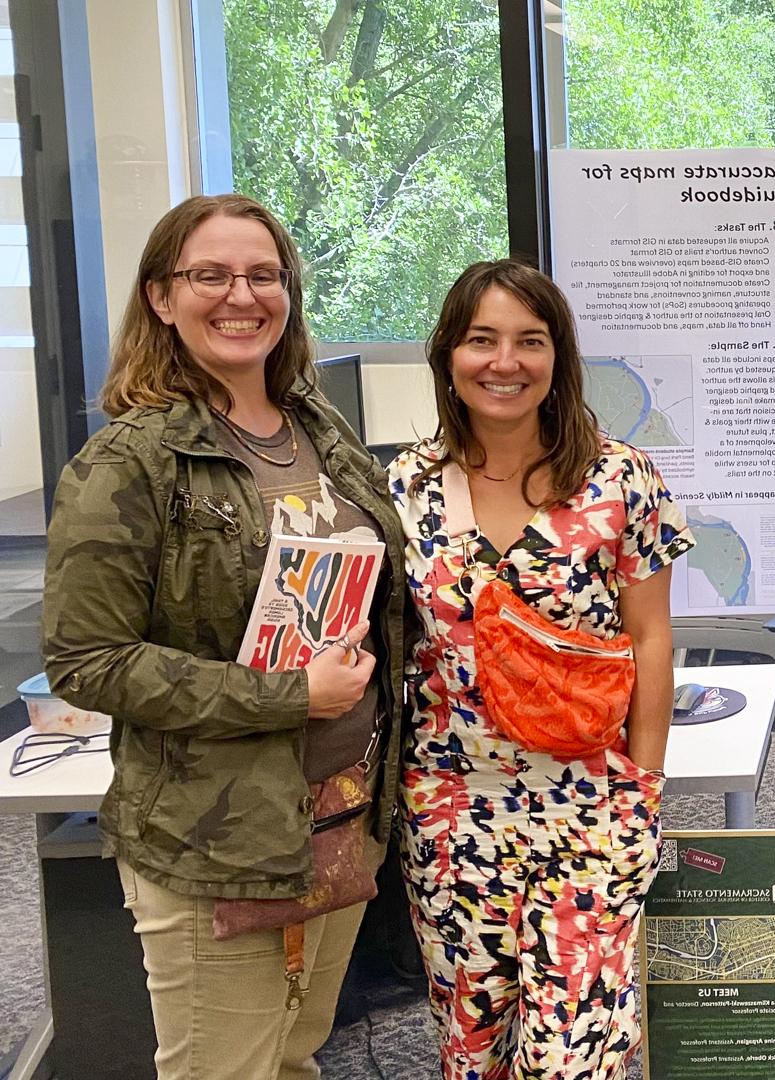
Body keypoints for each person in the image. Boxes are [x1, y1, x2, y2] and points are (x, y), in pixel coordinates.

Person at [39, 193, 408, 1079]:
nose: (241, 295)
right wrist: (289, 696)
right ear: (163, 297)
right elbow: (86, 659)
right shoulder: (131, 460)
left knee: (292, 1057)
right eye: (210, 274)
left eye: (263, 275)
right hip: (217, 836)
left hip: (341, 809)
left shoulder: (321, 430)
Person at [391, 259, 691, 1080]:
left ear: (558, 357)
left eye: (530, 340)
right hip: (451, 811)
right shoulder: (404, 488)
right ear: (448, 354)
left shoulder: (622, 477)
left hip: (590, 804)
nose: (505, 361)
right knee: (471, 1047)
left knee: (574, 1056)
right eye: (481, 339)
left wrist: (644, 786)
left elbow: (652, 638)